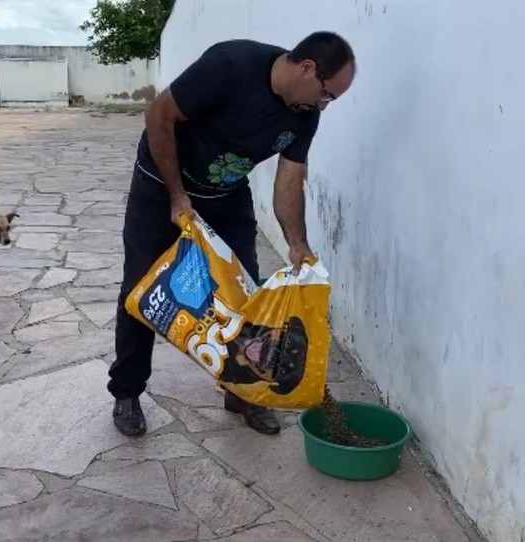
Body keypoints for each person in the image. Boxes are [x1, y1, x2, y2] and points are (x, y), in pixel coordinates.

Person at [108, 31, 356, 437]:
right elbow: (160, 113)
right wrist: (176, 196)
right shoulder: (232, 66)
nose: (323, 105)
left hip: (225, 195)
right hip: (161, 184)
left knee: (247, 298)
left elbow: (289, 180)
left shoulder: (304, 114)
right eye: (327, 94)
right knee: (142, 289)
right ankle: (127, 392)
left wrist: (297, 244)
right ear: (307, 67)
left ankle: (241, 392)